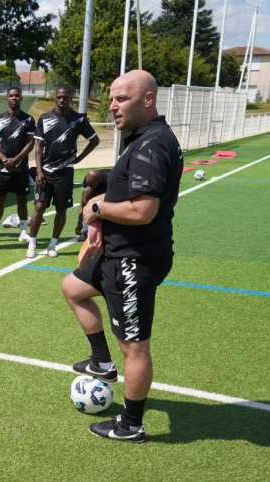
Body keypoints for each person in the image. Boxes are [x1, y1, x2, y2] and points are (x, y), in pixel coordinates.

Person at [61, 70, 183, 443]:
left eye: (121, 99)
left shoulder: (152, 144)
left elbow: (142, 210)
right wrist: (105, 181)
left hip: (134, 259)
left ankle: (130, 423)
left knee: (134, 346)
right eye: (111, 99)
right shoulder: (142, 138)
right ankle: (100, 361)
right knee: (73, 287)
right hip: (115, 254)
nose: (112, 106)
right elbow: (129, 184)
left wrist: (97, 208)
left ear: (147, 100)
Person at [26, 86, 100, 259]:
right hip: (45, 172)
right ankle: (32, 243)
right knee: (38, 207)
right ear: (55, 98)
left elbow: (94, 140)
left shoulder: (78, 119)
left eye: (65, 97)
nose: (62, 100)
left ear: (70, 98)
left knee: (61, 209)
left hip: (65, 173)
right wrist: (38, 171)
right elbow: (37, 147)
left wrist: (79, 158)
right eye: (59, 97)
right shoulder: (45, 118)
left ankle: (53, 244)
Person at [0, 87, 35, 244]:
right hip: (2, 168)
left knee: (22, 200)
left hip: (21, 168)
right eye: (11, 96)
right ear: (7, 98)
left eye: (17, 96)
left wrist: (17, 159)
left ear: (21, 98)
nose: (14, 98)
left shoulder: (28, 120)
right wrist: (5, 159)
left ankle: (24, 232)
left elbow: (31, 142)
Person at [74, 169, 108, 241]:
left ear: (98, 181)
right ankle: (85, 230)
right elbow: (82, 204)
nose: (90, 187)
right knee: (87, 202)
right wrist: (79, 223)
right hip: (99, 188)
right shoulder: (88, 181)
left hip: (108, 193)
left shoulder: (109, 180)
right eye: (89, 185)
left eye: (92, 185)